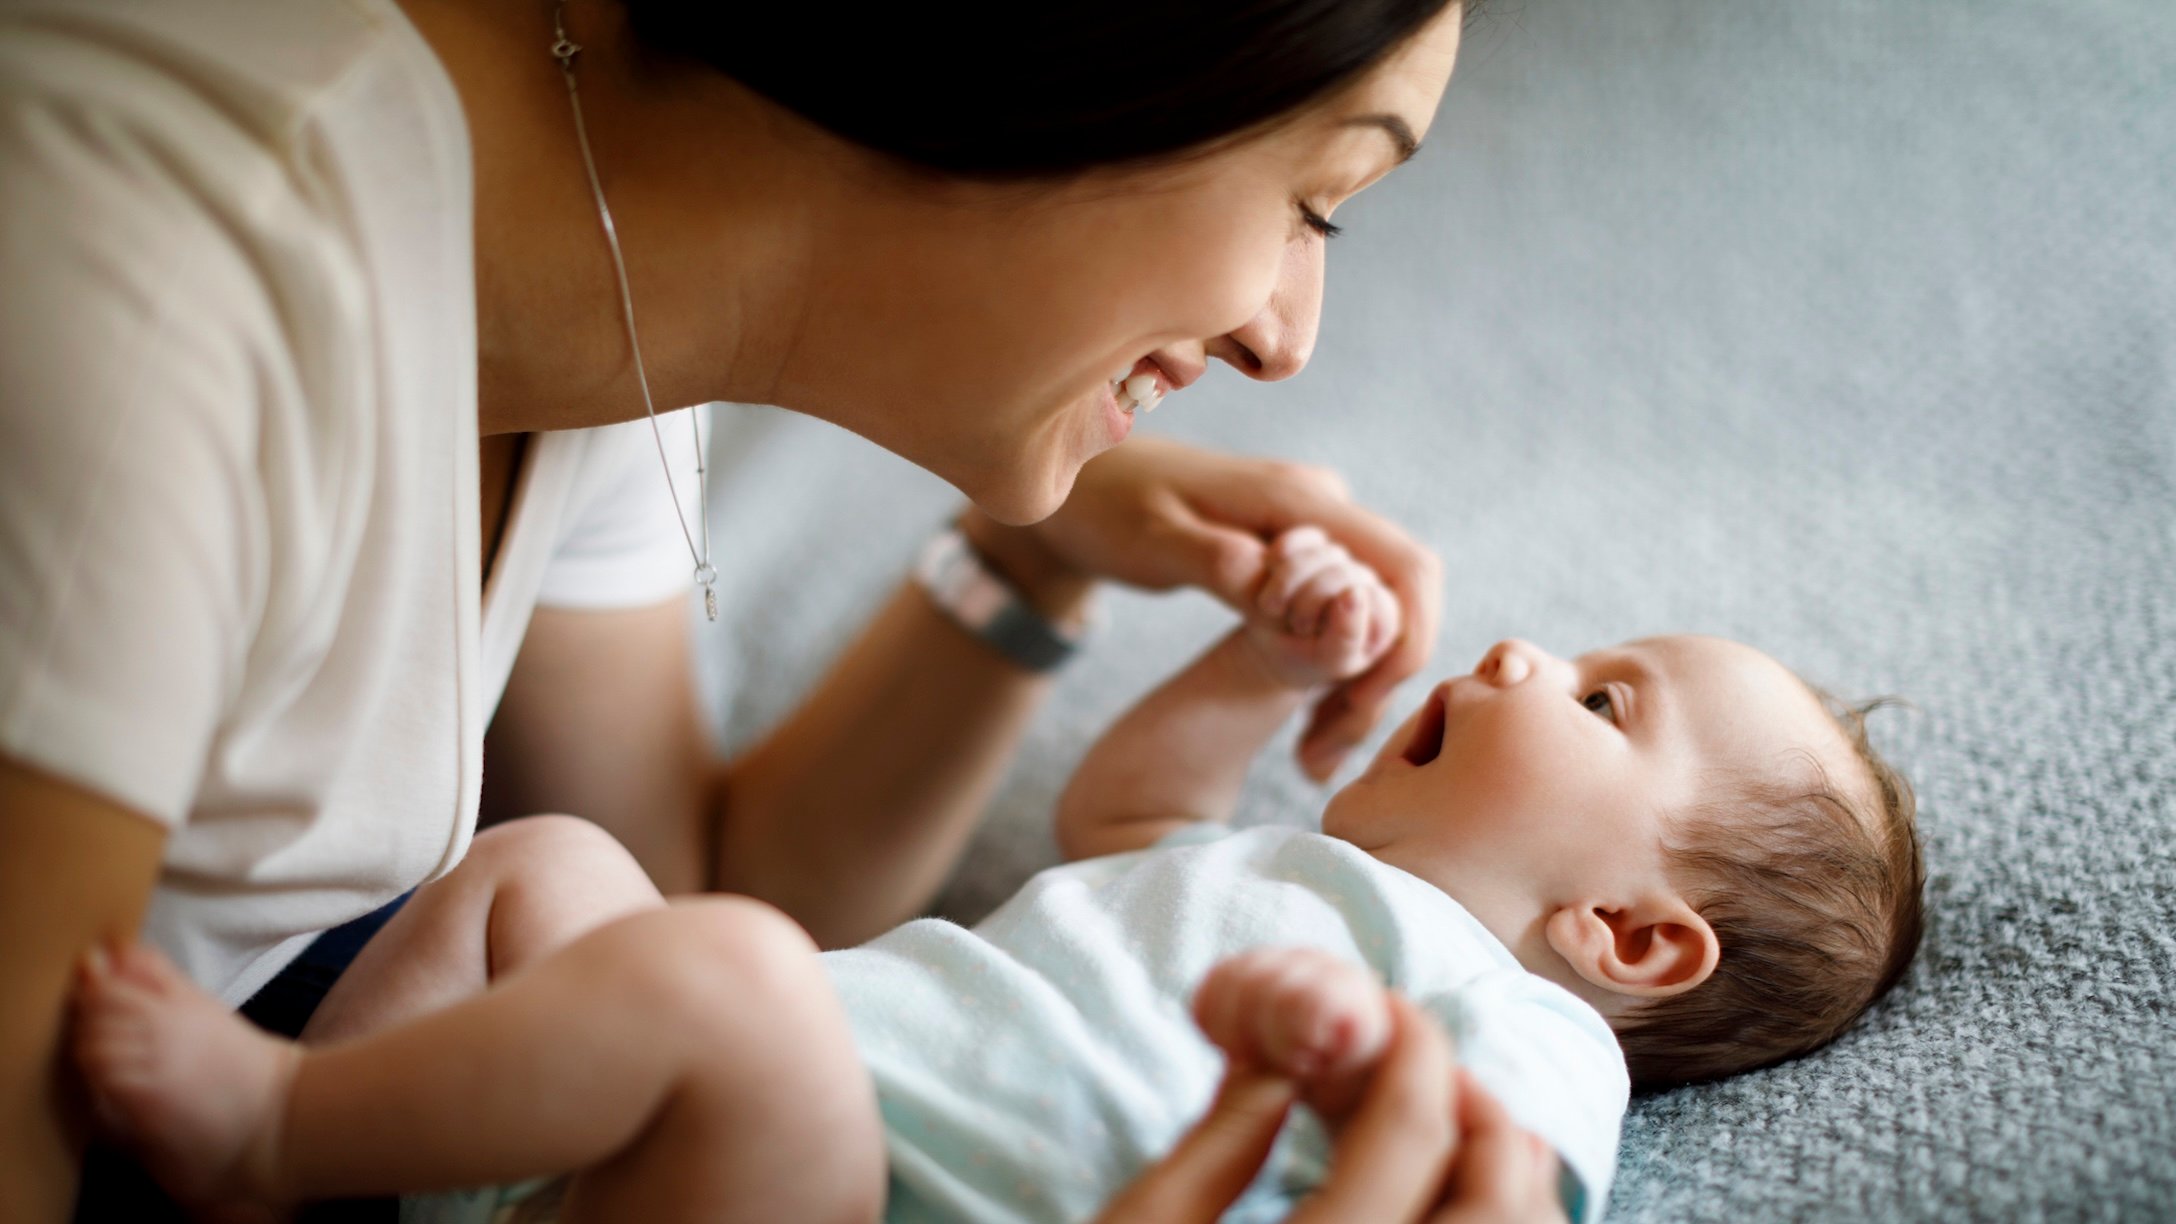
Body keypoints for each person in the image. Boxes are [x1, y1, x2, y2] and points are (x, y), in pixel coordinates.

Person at [0, 0, 1532, 1216]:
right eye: (1319, 199)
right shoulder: (151, 282)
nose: (1288, 338)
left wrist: (1028, 573)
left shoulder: (597, 293)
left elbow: (687, 927)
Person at [70, 527, 1926, 1222]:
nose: (1522, 657)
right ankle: (325, 1143)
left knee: (727, 973)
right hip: (619, 1138)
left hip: (824, 1185)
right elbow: (1127, 811)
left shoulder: (1517, 1031)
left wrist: (1375, 1085)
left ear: (1631, 934)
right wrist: (1259, 666)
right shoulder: (1273, 867)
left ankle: (262, 1134)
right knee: (545, 864)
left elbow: (1486, 1190)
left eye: (1608, 700)